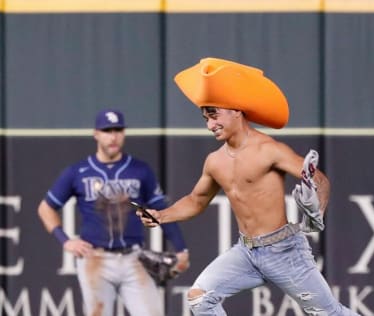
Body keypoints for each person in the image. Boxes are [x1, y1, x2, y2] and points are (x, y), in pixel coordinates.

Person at [137, 58, 360, 315]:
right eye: (205, 119)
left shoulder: (268, 150)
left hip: (285, 251)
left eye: (214, 115)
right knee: (200, 298)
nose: (210, 125)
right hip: (246, 252)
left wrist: (316, 211)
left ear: (236, 111)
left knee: (329, 313)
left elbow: (318, 180)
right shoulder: (215, 161)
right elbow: (196, 201)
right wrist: (161, 215)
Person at [37, 109, 190, 316]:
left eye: (118, 130)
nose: (113, 136)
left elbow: (162, 210)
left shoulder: (140, 170)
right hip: (95, 258)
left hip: (134, 258)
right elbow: (46, 208)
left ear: (124, 133)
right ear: (96, 134)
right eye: (107, 130)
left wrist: (182, 249)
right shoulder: (78, 171)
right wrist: (65, 240)